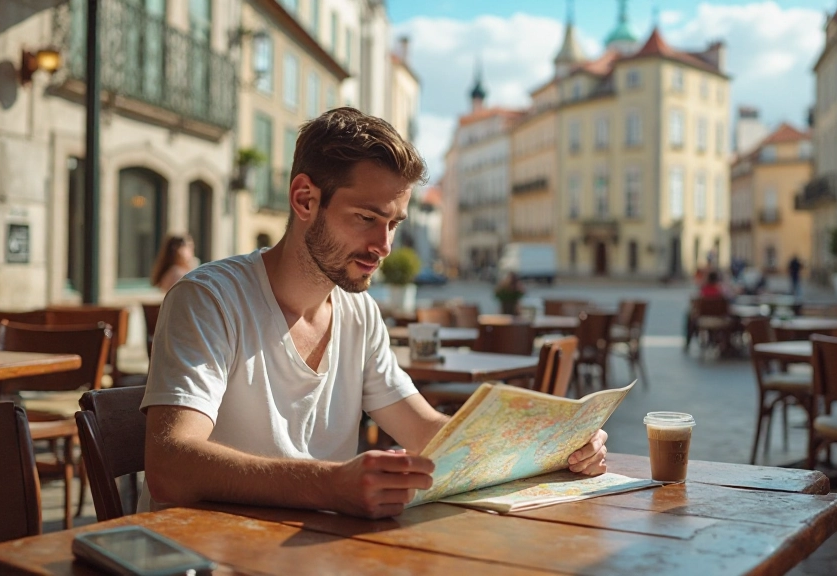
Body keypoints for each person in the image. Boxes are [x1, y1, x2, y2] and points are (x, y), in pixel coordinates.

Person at [139, 108, 608, 519]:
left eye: (393, 224)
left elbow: (427, 431)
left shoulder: (358, 311)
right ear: (304, 199)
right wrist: (330, 485)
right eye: (366, 218)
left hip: (314, 550)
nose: (383, 246)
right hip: (205, 554)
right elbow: (170, 467)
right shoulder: (209, 299)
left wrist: (553, 448)